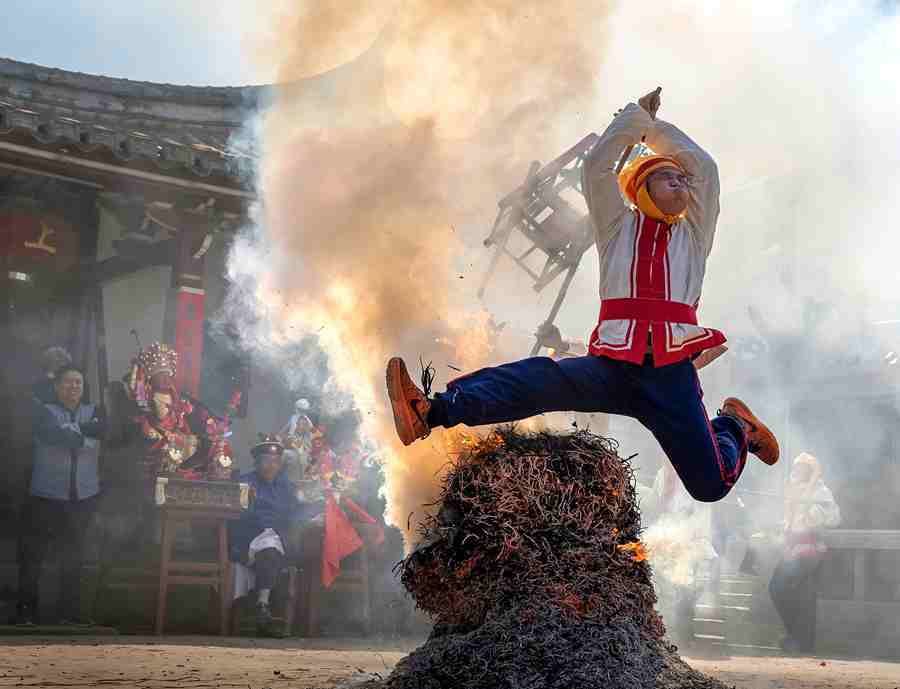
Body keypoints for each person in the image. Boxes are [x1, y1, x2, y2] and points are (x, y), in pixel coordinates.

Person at [386, 87, 779, 504]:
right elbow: (597, 166)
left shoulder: (694, 235)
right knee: (536, 381)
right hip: (615, 365)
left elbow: (705, 169)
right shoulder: (616, 227)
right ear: (643, 187)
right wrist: (636, 119)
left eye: (684, 179)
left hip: (669, 376)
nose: (682, 182)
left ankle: (736, 425)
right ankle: (430, 412)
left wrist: (654, 130)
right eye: (669, 176)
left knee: (710, 487)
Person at [16, 365, 105, 625]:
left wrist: (72, 430)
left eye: (78, 382)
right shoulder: (44, 411)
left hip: (83, 496)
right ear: (57, 387)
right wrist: (83, 431)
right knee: (34, 556)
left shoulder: (96, 411)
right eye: (67, 383)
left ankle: (69, 615)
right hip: (46, 494)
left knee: (74, 557)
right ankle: (26, 613)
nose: (73, 387)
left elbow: (103, 430)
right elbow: (50, 434)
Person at [229, 435, 321, 637]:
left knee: (274, 551)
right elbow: (238, 514)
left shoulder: (285, 486)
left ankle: (264, 609)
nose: (271, 466)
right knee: (270, 549)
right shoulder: (245, 482)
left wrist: (317, 511)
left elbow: (298, 511)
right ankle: (263, 607)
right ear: (257, 462)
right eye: (266, 461)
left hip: (279, 539)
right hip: (250, 537)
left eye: (276, 462)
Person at [769, 453, 840, 654]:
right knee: (783, 590)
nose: (798, 472)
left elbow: (834, 517)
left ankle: (798, 639)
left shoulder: (821, 491)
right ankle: (797, 638)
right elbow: (788, 520)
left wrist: (813, 509)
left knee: (784, 587)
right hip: (791, 549)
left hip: (811, 549)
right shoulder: (792, 490)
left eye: (802, 469)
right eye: (797, 468)